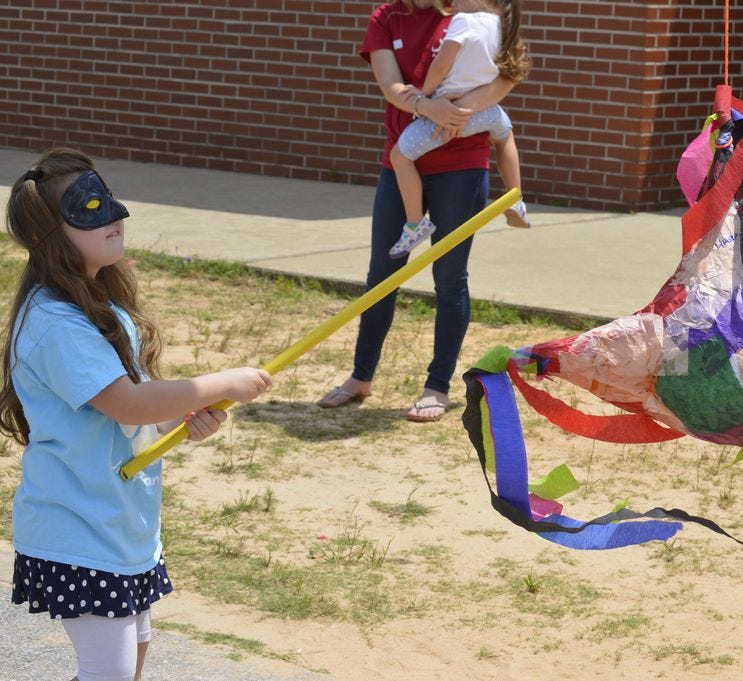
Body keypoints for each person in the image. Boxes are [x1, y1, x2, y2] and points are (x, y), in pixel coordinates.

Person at [1, 147, 273, 681]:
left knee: (132, 661)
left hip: (121, 524)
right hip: (78, 530)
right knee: (112, 672)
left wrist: (181, 419)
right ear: (50, 234)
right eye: (90, 208)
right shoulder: (55, 323)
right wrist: (224, 383)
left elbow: (137, 409)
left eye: (110, 199)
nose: (116, 215)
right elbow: (126, 402)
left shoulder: (101, 307)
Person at [317, 0, 518, 421]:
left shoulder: (473, 9)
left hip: (461, 168)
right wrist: (429, 107)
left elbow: (508, 75)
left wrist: (460, 111)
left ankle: (437, 386)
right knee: (382, 274)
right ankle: (360, 377)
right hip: (401, 163)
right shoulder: (386, 17)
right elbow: (391, 86)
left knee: (449, 279)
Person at [388, 0, 531, 259]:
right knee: (505, 135)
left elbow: (441, 65)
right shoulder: (499, 24)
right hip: (484, 111)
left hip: (446, 116)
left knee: (399, 157)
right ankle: (515, 199)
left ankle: (415, 223)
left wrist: (424, 93)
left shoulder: (462, 21)